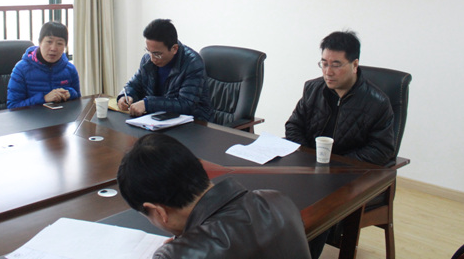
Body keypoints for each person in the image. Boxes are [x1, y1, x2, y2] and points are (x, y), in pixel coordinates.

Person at [285, 30, 394, 259]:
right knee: (271, 195)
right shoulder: (313, 89)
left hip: (348, 177)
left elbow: (382, 149)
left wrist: (334, 166)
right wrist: (309, 160)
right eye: (324, 63)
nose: (328, 71)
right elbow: (293, 126)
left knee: (317, 205)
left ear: (354, 64)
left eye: (336, 65)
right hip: (310, 170)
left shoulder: (377, 103)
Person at [116, 133, 312, 259]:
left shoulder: (175, 255)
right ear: (199, 168)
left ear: (158, 211)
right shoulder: (278, 200)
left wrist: (178, 250)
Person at [117, 18, 213, 121]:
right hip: (158, 119)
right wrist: (126, 96)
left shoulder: (192, 63)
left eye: (157, 54)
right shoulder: (147, 59)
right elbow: (133, 85)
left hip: (193, 123)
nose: (152, 58)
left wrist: (148, 104)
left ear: (174, 49)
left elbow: (186, 104)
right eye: (149, 51)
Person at [7, 21, 80, 109]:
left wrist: (71, 93)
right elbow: (13, 106)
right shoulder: (21, 69)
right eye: (49, 41)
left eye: (59, 43)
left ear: (65, 46)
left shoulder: (70, 69)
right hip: (33, 117)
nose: (53, 48)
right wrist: (44, 98)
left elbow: (78, 100)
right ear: (40, 43)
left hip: (63, 116)